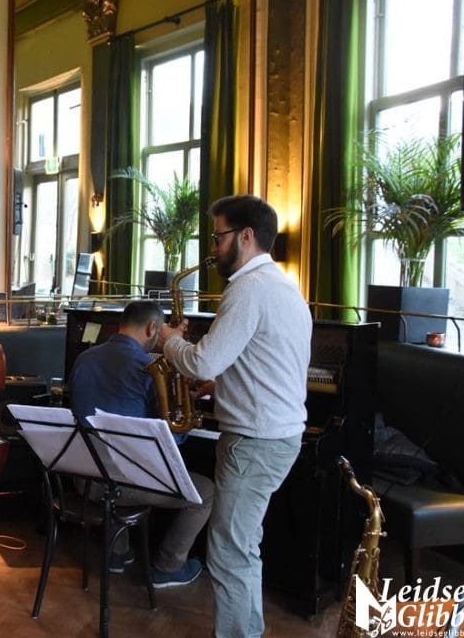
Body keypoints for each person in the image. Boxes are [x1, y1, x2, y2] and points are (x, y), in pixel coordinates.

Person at [157, 195, 310, 638]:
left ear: (245, 236)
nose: (213, 247)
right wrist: (225, 385)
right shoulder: (283, 286)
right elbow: (273, 362)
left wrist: (167, 340)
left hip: (254, 441)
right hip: (276, 437)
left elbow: (202, 361)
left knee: (227, 551)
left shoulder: (246, 289)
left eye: (218, 236)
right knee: (242, 546)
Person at [69, 300, 214, 585]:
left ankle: (117, 553)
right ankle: (168, 567)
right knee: (207, 492)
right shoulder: (148, 367)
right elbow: (173, 438)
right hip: (122, 483)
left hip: (83, 477)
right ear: (152, 328)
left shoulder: (84, 358)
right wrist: (187, 408)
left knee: (115, 458)